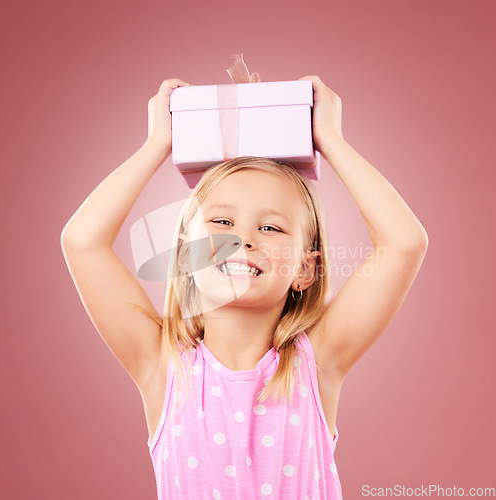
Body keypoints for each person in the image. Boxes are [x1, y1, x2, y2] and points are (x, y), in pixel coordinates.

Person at [61, 76, 428, 499]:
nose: (243, 240)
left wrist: (330, 140)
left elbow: (404, 243)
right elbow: (81, 242)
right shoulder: (164, 367)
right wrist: (158, 144)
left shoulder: (317, 362)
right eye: (221, 223)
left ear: (305, 270)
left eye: (270, 227)